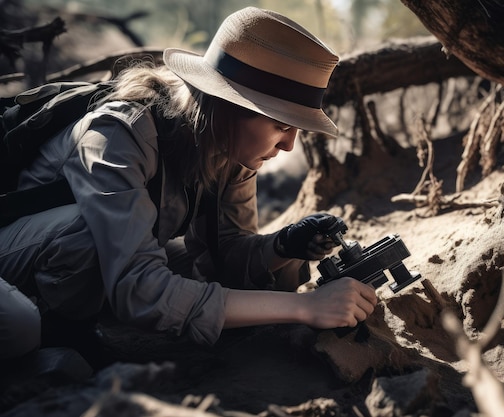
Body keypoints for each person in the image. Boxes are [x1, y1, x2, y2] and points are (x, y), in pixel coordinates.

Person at [0, 7, 377, 371]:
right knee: (85, 232)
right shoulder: (117, 133)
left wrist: (282, 247)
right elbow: (140, 287)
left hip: (92, 263)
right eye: (281, 124)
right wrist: (306, 307)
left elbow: (222, 252)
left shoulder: (228, 144)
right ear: (229, 103)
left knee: (186, 265)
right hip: (14, 257)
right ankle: (62, 335)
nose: (290, 145)